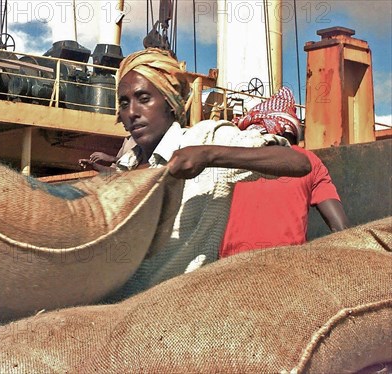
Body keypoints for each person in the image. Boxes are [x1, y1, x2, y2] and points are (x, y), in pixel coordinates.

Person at [107, 48, 312, 300]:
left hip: (177, 310)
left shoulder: (203, 138)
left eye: (144, 98)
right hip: (116, 311)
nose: (132, 112)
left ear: (171, 103)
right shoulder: (125, 165)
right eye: (124, 103)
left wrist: (209, 156)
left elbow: (296, 162)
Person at [219, 87, 349, 258]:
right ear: (293, 132)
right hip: (287, 271)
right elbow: (341, 228)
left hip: (226, 272)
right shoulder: (309, 160)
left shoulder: (231, 155)